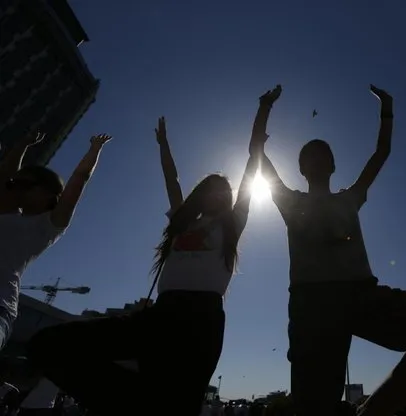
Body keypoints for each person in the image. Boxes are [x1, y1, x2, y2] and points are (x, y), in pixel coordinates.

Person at [25, 85, 281, 416]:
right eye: (212, 190)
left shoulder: (233, 224)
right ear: (200, 196)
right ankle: (131, 402)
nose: (219, 195)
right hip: (162, 313)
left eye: (225, 191)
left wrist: (263, 110)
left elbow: (253, 161)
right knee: (46, 345)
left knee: (179, 404)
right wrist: (163, 144)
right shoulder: (181, 220)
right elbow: (171, 178)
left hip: (202, 319)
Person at [258, 84, 406, 416]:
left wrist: (386, 108)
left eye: (324, 157)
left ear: (333, 166)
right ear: (301, 169)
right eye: (309, 158)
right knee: (313, 406)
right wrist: (264, 109)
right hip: (311, 305)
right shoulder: (290, 202)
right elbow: (257, 156)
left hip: (360, 294)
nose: (317, 161)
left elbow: (381, 152)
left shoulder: (350, 197)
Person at [0, 132, 111, 350]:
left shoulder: (48, 225)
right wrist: (22, 144)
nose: (17, 189)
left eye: (26, 185)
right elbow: (6, 175)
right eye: (16, 184)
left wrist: (95, 148)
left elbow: (80, 178)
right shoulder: (5, 212)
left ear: (49, 194)